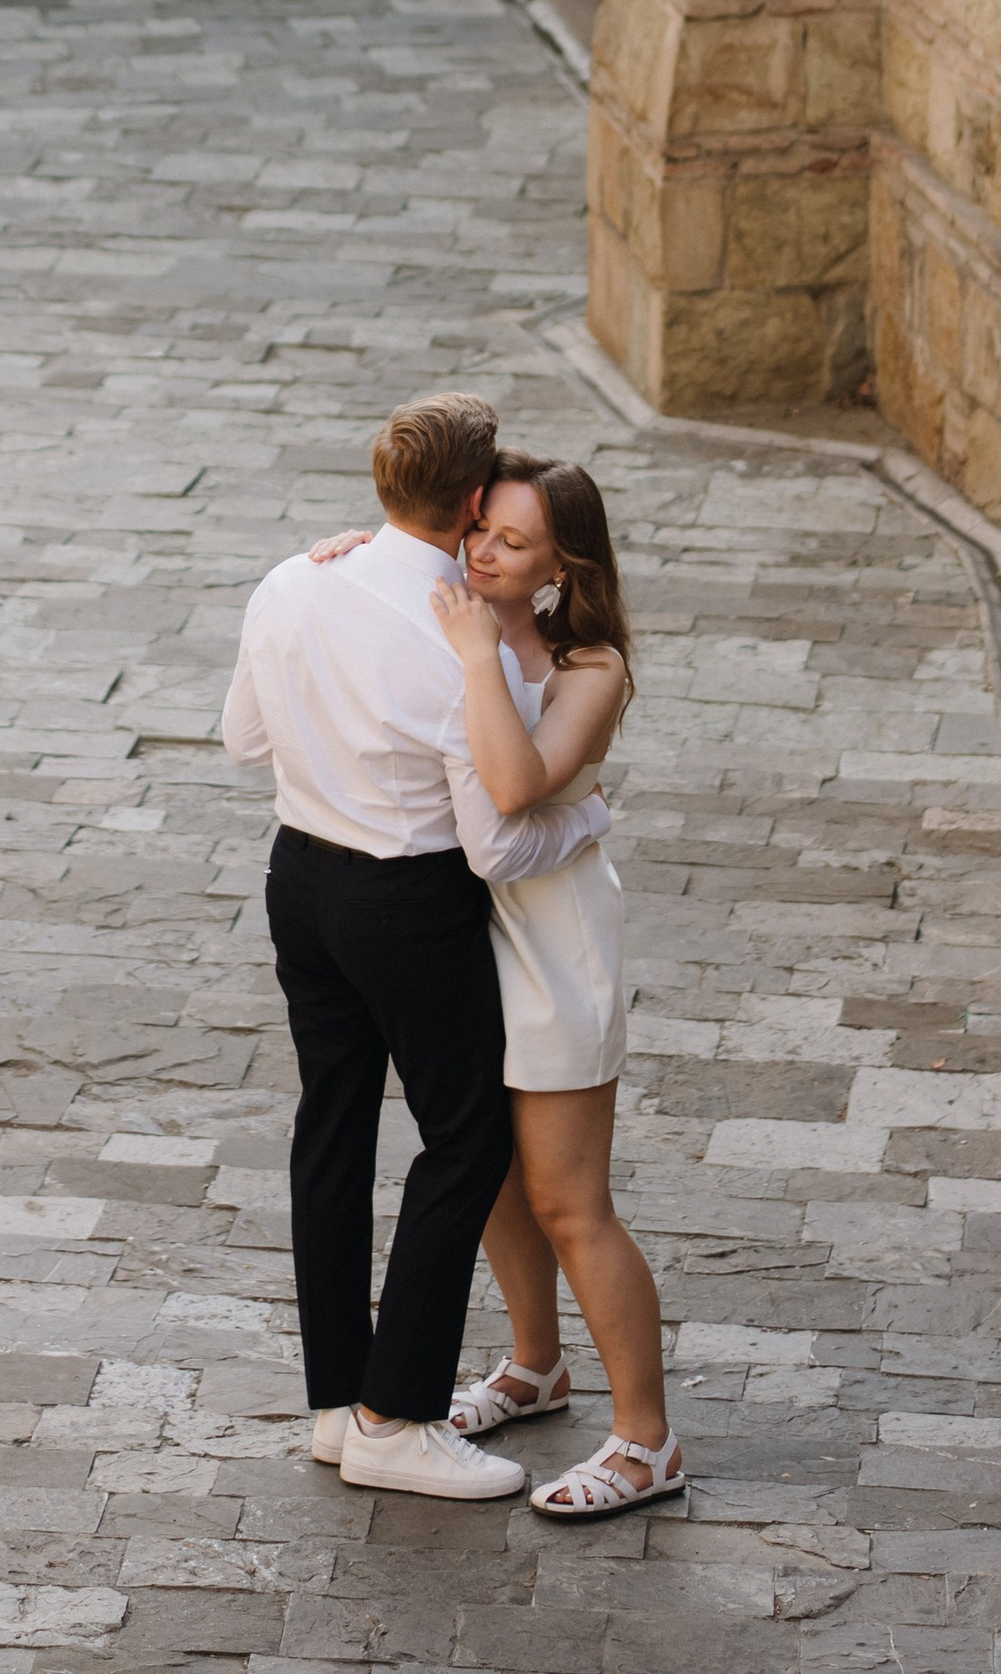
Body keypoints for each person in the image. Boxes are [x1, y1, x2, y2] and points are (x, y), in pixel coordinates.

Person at [222, 393, 616, 1506]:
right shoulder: (463, 636)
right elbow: (495, 839)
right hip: (409, 900)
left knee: (331, 1128)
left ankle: (336, 1406)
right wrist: (588, 820)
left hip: (299, 880)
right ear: (467, 502)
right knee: (470, 1136)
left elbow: (242, 738)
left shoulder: (294, 577)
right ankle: (398, 1416)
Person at [314, 454, 683, 1519]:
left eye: (512, 543)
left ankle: (646, 1440)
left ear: (561, 565)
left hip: (553, 944)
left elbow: (519, 787)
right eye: (479, 531)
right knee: (489, 1180)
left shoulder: (590, 665)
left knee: (570, 1201)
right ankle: (534, 1365)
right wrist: (355, 554)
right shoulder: (451, 600)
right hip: (460, 939)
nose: (480, 553)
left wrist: (475, 652)